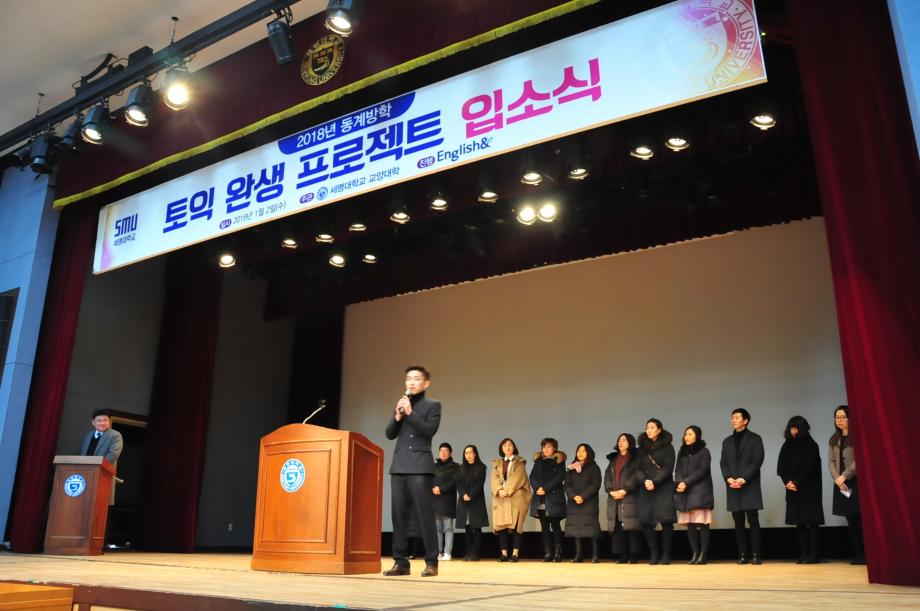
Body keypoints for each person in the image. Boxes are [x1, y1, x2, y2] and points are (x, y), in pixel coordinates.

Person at [383, 366, 442, 577]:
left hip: (420, 466)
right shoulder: (401, 403)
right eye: (409, 378)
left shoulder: (433, 405)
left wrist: (410, 413)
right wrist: (398, 417)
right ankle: (400, 562)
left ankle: (432, 562)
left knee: (425, 515)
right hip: (399, 466)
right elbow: (390, 434)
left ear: (426, 383)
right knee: (398, 516)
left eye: (417, 379)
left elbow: (429, 431)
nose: (412, 382)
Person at [720, 408, 765, 565]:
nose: (733, 420)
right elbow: (723, 463)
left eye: (737, 417)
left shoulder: (755, 438)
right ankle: (743, 555)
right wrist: (728, 478)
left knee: (753, 520)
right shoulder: (727, 441)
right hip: (733, 485)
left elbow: (757, 461)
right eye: (733, 417)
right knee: (738, 521)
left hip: (749, 484)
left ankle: (756, 555)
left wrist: (744, 478)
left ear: (745, 421)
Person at [777, 416, 824, 564]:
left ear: (803, 429)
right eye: (791, 428)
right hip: (793, 489)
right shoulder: (787, 445)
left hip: (809, 489)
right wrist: (787, 482)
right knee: (799, 523)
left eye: (796, 428)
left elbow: (809, 468)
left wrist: (796, 482)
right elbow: (781, 467)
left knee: (812, 522)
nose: (793, 431)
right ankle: (803, 554)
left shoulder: (811, 445)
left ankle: (813, 555)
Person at [636, 419, 676, 565]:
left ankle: (666, 554)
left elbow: (668, 467)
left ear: (659, 430)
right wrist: (645, 480)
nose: (649, 430)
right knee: (647, 522)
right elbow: (637, 468)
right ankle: (654, 553)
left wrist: (655, 481)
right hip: (646, 488)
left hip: (663, 487)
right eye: (647, 427)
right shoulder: (642, 448)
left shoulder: (668, 446)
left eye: (652, 427)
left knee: (666, 522)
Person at [828, 405, 864, 565]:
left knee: (859, 518)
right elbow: (831, 462)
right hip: (841, 484)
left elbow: (859, 461)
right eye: (837, 417)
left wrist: (844, 476)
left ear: (850, 418)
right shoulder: (833, 439)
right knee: (850, 519)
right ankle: (857, 555)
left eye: (843, 417)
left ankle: (866, 554)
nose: (840, 420)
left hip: (854, 481)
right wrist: (837, 478)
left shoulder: (856, 436)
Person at [674, 425, 714, 565]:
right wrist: (679, 482)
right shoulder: (682, 452)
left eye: (690, 434)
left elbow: (702, 471)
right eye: (686, 434)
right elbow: (677, 470)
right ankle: (695, 553)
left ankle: (703, 554)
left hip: (700, 491)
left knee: (702, 523)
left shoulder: (704, 451)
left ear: (697, 436)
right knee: (690, 524)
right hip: (685, 492)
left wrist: (686, 482)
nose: (687, 437)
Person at [604, 433, 642, 564]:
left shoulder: (635, 458)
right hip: (615, 498)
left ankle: (634, 555)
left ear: (630, 442)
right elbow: (607, 477)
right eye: (619, 440)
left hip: (630, 496)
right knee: (618, 528)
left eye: (624, 440)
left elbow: (636, 476)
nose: (621, 442)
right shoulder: (613, 459)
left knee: (631, 527)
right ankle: (623, 555)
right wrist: (610, 491)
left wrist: (625, 489)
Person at [491, 438, 531, 562]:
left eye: (510, 445)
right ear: (501, 449)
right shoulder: (497, 463)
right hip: (501, 497)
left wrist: (507, 490)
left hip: (515, 497)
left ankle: (515, 554)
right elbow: (494, 479)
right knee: (501, 525)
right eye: (504, 446)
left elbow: (518, 478)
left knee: (516, 525)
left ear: (514, 448)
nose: (507, 448)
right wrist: (499, 490)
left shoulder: (519, 462)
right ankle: (504, 554)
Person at [529, 437, 567, 562]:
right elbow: (532, 477)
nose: (546, 449)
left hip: (553, 497)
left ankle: (558, 554)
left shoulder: (559, 461)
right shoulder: (538, 461)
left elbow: (560, 477)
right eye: (544, 447)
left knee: (555, 525)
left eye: (549, 447)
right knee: (544, 526)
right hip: (540, 498)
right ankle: (548, 553)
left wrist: (545, 488)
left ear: (554, 448)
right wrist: (537, 488)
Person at [564, 443, 602, 563]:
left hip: (589, 502)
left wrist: (583, 496)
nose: (580, 453)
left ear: (588, 453)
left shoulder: (594, 468)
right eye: (578, 451)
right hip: (574, 502)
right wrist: (574, 496)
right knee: (576, 528)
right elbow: (567, 485)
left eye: (583, 451)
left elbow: (595, 484)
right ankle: (579, 554)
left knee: (591, 528)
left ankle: (595, 554)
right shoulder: (571, 468)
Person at [80, 409, 124, 505]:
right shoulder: (88, 435)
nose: (102, 423)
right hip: (84, 476)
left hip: (102, 476)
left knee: (98, 505)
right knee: (83, 504)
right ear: (93, 422)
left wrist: (96, 469)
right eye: (99, 420)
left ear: (109, 421)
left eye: (105, 420)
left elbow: (113, 455)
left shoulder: (115, 435)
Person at [456, 444, 488, 561]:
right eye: (466, 453)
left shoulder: (481, 467)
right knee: (467, 528)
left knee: (477, 527)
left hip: (476, 500)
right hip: (464, 500)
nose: (468, 455)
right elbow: (458, 483)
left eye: (470, 452)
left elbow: (480, 484)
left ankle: (475, 554)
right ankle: (468, 553)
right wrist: (463, 494)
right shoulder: (460, 467)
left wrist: (470, 495)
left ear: (475, 454)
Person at [433, 442, 458, 560]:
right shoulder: (433, 466)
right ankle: (438, 552)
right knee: (437, 528)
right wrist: (433, 489)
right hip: (435, 500)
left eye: (445, 451)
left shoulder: (455, 466)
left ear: (450, 453)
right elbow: (429, 480)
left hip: (448, 500)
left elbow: (454, 481)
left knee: (448, 528)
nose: (443, 453)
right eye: (441, 451)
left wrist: (441, 489)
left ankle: (448, 552)